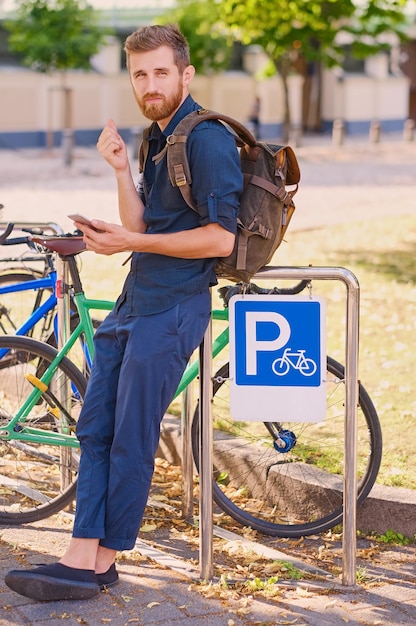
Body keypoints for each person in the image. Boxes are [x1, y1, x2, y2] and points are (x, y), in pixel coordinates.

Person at [5, 24, 242, 602]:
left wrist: (129, 245)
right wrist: (118, 171)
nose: (150, 83)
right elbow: (141, 229)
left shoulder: (207, 139)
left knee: (131, 437)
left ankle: (98, 563)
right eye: (140, 73)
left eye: (162, 72)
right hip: (137, 301)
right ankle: (82, 553)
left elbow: (219, 241)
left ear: (185, 74)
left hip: (174, 309)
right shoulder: (155, 138)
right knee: (96, 427)